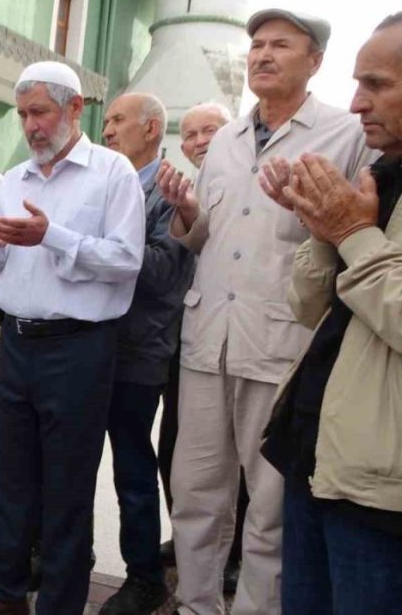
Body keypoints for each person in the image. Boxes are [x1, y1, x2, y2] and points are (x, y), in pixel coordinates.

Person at [156, 9, 376, 615]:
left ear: (315, 61)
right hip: (207, 342)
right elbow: (209, 235)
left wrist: (310, 213)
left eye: (282, 44)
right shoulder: (224, 139)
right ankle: (197, 605)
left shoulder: (343, 134)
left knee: (271, 506)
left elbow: (359, 229)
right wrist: (183, 213)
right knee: (195, 494)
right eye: (256, 45)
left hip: (282, 345)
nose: (263, 55)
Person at [259, 5, 402, 615]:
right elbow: (306, 305)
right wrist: (324, 227)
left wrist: (352, 232)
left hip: (398, 500)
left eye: (377, 84)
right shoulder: (387, 171)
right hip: (321, 465)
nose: (355, 104)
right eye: (356, 84)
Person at [0, 61, 146, 615]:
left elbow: (126, 261)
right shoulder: (14, 179)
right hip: (20, 345)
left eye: (41, 112)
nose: (30, 126)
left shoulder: (113, 174)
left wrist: (50, 235)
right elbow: (1, 263)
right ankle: (3, 591)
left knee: (67, 487)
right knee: (11, 477)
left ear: (76, 108)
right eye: (23, 114)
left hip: (79, 349)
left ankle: (59, 603)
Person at [98, 92, 194, 614]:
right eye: (106, 120)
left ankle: (144, 576)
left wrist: (101, 243)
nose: (108, 130)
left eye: (118, 120)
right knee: (69, 461)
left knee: (132, 467)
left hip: (139, 351)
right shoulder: (103, 183)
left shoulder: (171, 190)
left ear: (152, 128)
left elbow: (163, 275)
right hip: (87, 344)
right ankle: (60, 553)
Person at [158, 101, 246, 596]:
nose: (197, 141)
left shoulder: (246, 181)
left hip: (240, 338)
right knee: (178, 450)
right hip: (188, 337)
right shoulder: (188, 192)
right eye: (189, 134)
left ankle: (231, 555)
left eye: (208, 130)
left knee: (240, 461)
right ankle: (190, 540)